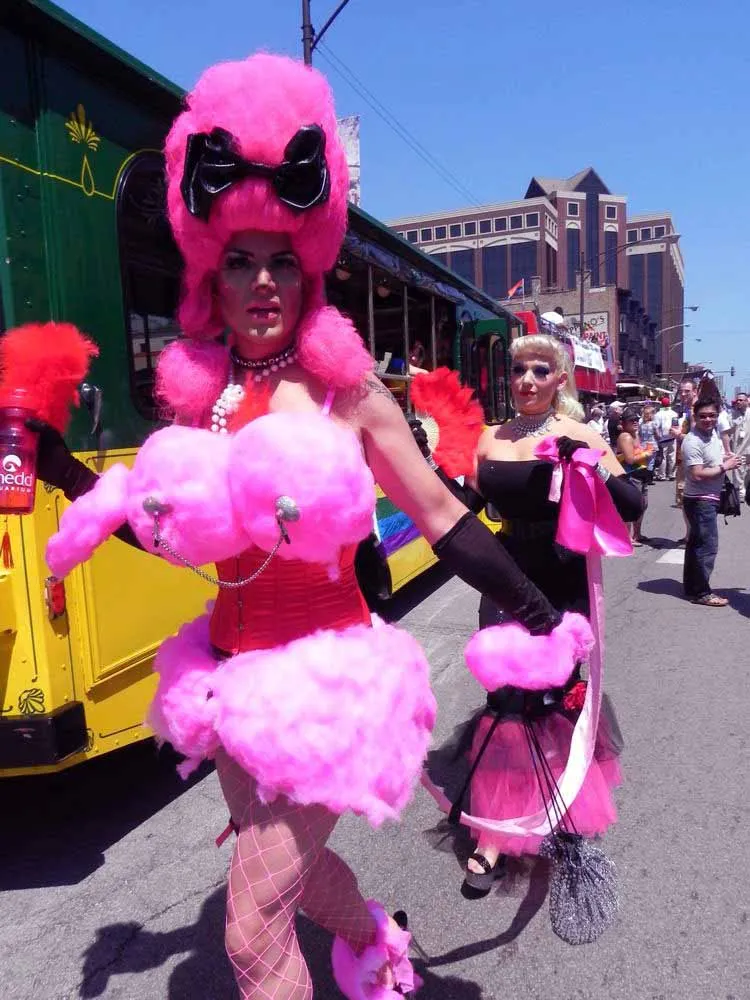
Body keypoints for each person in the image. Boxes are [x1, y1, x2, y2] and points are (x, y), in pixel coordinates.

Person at [30, 54, 573, 999]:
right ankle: (379, 943)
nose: (263, 280)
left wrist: (536, 612)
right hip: (231, 685)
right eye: (240, 260)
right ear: (210, 273)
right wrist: (64, 471)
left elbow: (441, 516)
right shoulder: (198, 404)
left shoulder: (349, 397)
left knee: (249, 932)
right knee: (288, 875)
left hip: (327, 692)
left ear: (310, 267)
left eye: (282, 258)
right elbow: (163, 532)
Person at [421, 334, 642, 892]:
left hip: (562, 579)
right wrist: (432, 468)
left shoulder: (579, 433)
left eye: (540, 370)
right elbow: (465, 510)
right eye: (519, 369)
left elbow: (633, 504)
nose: (526, 380)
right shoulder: (490, 438)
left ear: (560, 378)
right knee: (505, 700)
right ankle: (495, 834)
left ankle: (560, 806)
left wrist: (589, 466)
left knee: (554, 698)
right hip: (505, 575)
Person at [682, 394, 742, 606]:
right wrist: (725, 467)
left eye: (712, 415)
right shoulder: (693, 441)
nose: (708, 419)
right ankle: (701, 592)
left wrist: (726, 459)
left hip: (707, 498)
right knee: (707, 546)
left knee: (696, 544)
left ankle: (692, 587)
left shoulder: (712, 434)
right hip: (700, 500)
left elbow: (711, 460)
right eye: (703, 416)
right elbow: (697, 473)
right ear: (695, 417)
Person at [616, 406, 656, 545]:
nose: (635, 422)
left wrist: (645, 452)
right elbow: (630, 459)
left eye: (636, 419)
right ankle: (627, 537)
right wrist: (647, 454)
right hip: (630, 476)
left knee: (642, 505)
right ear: (624, 423)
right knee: (631, 505)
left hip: (640, 475)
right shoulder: (625, 436)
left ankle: (637, 534)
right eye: (631, 420)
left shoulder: (635, 435)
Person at [652, 395, 678, 481]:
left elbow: (655, 427)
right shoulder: (674, 413)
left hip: (662, 438)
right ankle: (671, 474)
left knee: (663, 457)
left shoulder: (658, 414)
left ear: (661, 404)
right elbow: (676, 425)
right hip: (672, 436)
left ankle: (662, 475)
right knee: (672, 456)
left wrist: (657, 437)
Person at [730, 392, 750, 500]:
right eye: (737, 400)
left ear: (747, 401)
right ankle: (739, 493)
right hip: (738, 448)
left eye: (741, 400)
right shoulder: (732, 414)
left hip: (749, 447)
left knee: (747, 472)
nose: (738, 402)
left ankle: (746, 490)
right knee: (738, 470)